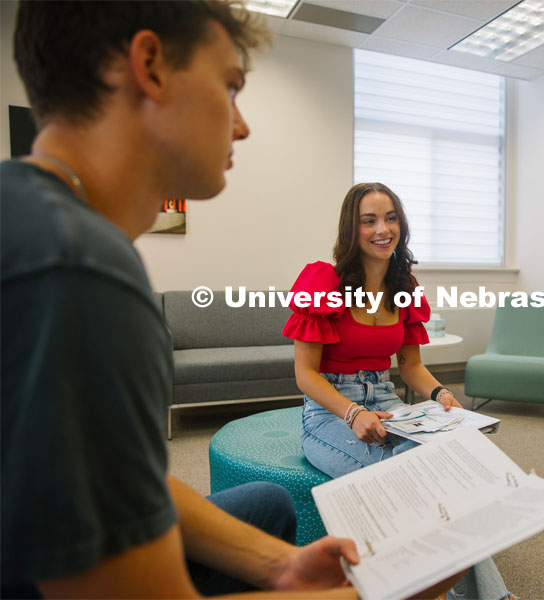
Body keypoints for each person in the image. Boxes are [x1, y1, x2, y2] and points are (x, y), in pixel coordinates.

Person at [0, 2, 363, 597]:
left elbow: (109, 472)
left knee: (268, 507)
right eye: (229, 86)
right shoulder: (83, 272)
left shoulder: (33, 216)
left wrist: (281, 566)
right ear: (150, 66)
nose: (241, 125)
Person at [284, 181, 512, 600]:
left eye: (390, 218)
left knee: (447, 459)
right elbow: (305, 375)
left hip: (388, 400)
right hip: (330, 411)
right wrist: (353, 413)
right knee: (415, 476)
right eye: (368, 220)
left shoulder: (403, 286)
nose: (381, 229)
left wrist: (441, 394)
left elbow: (410, 366)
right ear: (351, 229)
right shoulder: (323, 280)